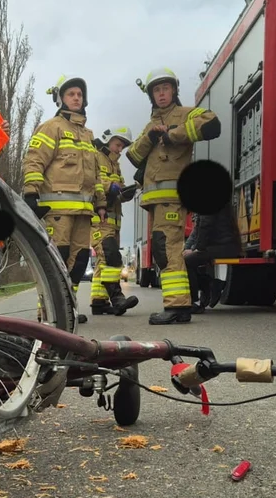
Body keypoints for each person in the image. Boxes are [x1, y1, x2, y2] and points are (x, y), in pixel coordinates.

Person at [126, 67, 221, 325]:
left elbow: (212, 123)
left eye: (165, 88)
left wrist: (173, 134)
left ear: (174, 90)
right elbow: (133, 155)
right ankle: (178, 304)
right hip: (156, 202)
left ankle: (178, 306)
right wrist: (152, 136)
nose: (162, 94)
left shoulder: (185, 114)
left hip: (173, 198)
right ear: (151, 95)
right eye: (156, 90)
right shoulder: (150, 124)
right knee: (163, 250)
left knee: (168, 250)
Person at [22, 75, 107, 324]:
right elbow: (34, 159)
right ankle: (48, 311)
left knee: (79, 262)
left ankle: (67, 308)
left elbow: (97, 174)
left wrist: (101, 202)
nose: (76, 98)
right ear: (61, 98)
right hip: (57, 210)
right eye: (71, 94)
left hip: (83, 211)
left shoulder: (88, 135)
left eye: (80, 94)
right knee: (55, 260)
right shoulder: (52, 127)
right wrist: (30, 193)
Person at [90, 126, 140, 316]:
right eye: (118, 144)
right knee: (111, 256)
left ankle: (98, 302)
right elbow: (91, 181)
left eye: (122, 146)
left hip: (113, 221)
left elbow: (115, 192)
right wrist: (109, 186)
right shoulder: (95, 157)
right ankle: (117, 299)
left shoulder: (115, 165)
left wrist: (126, 193)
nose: (120, 149)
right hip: (98, 219)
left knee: (102, 261)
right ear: (108, 141)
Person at [184, 201, 242, 312]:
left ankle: (195, 302)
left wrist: (196, 249)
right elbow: (197, 229)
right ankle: (209, 284)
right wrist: (186, 248)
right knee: (186, 258)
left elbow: (205, 226)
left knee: (187, 262)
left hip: (224, 246)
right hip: (220, 245)